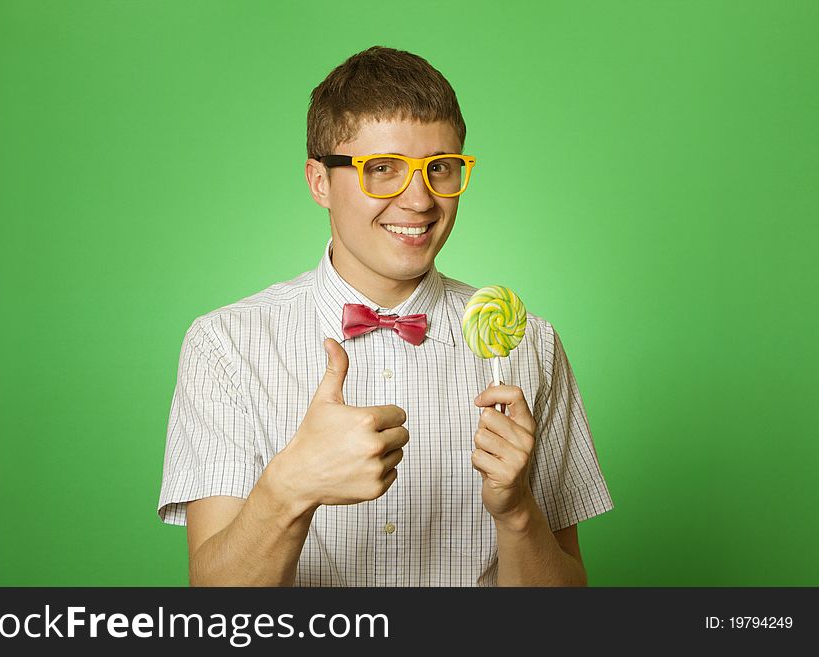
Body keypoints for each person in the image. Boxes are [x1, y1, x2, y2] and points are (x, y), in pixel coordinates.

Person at [157, 45, 614, 586]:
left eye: (439, 169)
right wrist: (291, 487)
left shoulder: (528, 346)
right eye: (382, 170)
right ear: (319, 181)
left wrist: (516, 512)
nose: (419, 200)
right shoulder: (225, 345)